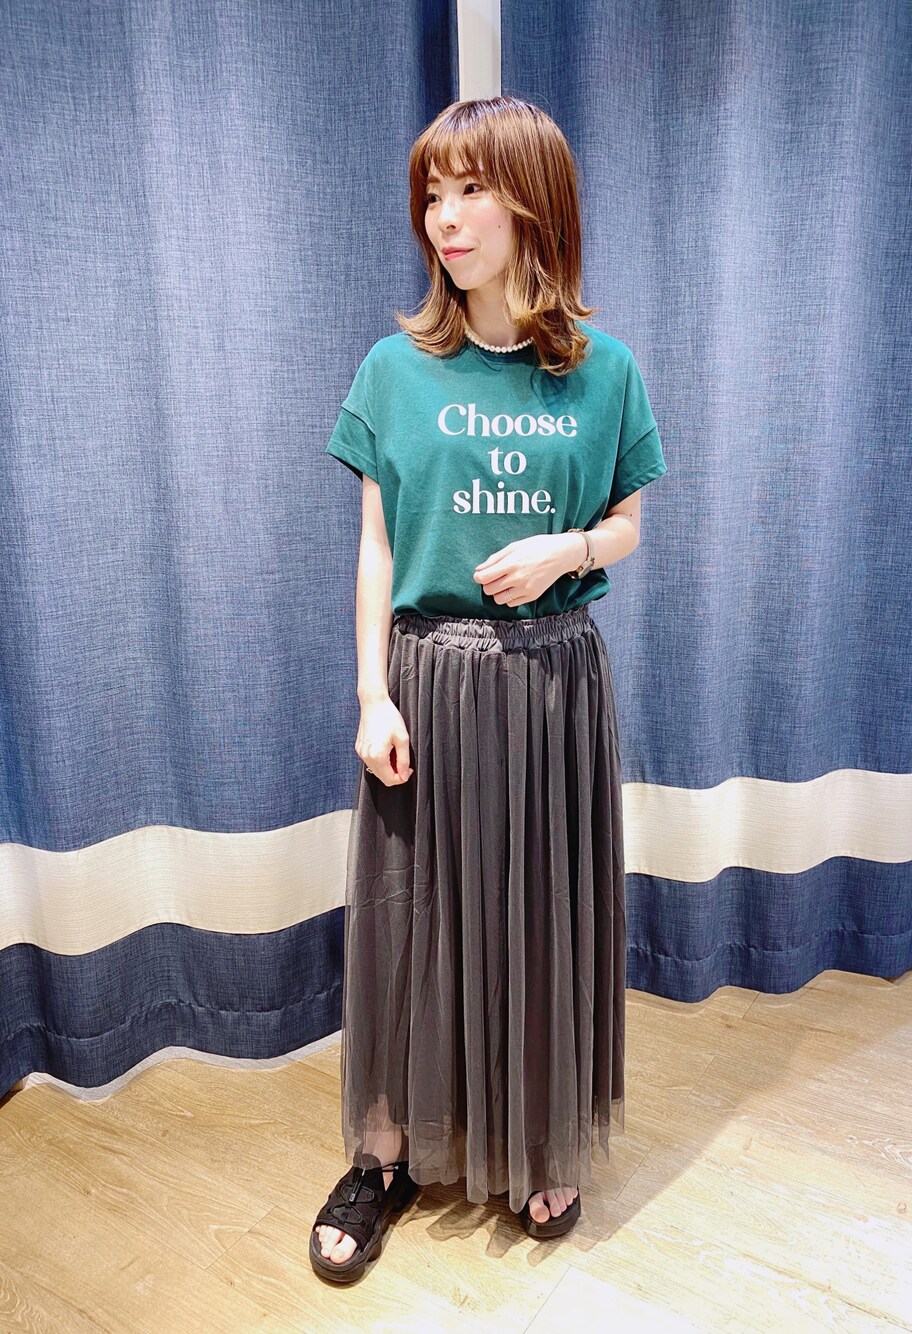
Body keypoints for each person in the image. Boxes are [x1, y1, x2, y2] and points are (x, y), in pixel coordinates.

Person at [310, 94, 666, 1285]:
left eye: (471, 191)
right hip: (429, 678)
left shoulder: (603, 371)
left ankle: (537, 1136)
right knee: (410, 917)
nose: (444, 218)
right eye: (433, 193)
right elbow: (374, 546)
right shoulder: (394, 369)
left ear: (534, 205)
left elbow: (627, 526)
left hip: (554, 681)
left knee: (541, 913)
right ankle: (381, 1153)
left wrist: (570, 548)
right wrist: (372, 693)